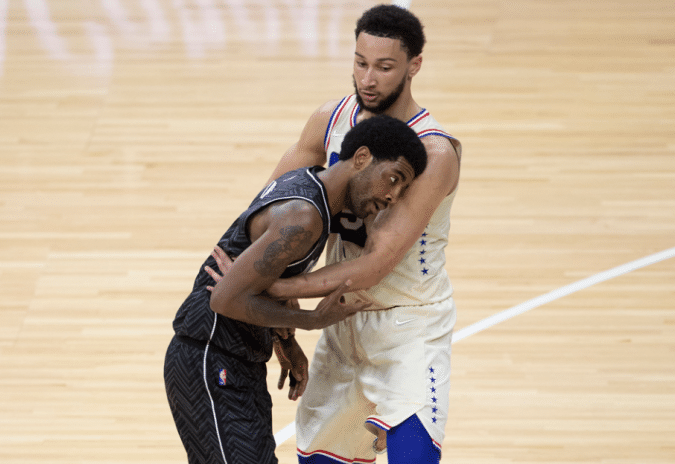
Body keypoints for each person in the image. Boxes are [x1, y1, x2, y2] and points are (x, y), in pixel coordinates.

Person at [209, 4, 462, 463]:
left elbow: (374, 264)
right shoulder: (329, 120)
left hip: (409, 327)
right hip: (341, 321)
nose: (368, 79)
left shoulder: (433, 151)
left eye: (384, 67)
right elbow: (267, 216)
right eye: (360, 63)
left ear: (414, 66)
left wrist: (271, 289)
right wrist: (282, 326)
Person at [163, 114, 428, 464]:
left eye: (402, 189)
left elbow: (258, 284)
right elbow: (225, 299)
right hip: (210, 356)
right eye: (393, 178)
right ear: (362, 158)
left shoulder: (309, 188)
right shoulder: (304, 216)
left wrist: (284, 340)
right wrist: (311, 320)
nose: (393, 196)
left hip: (238, 359)